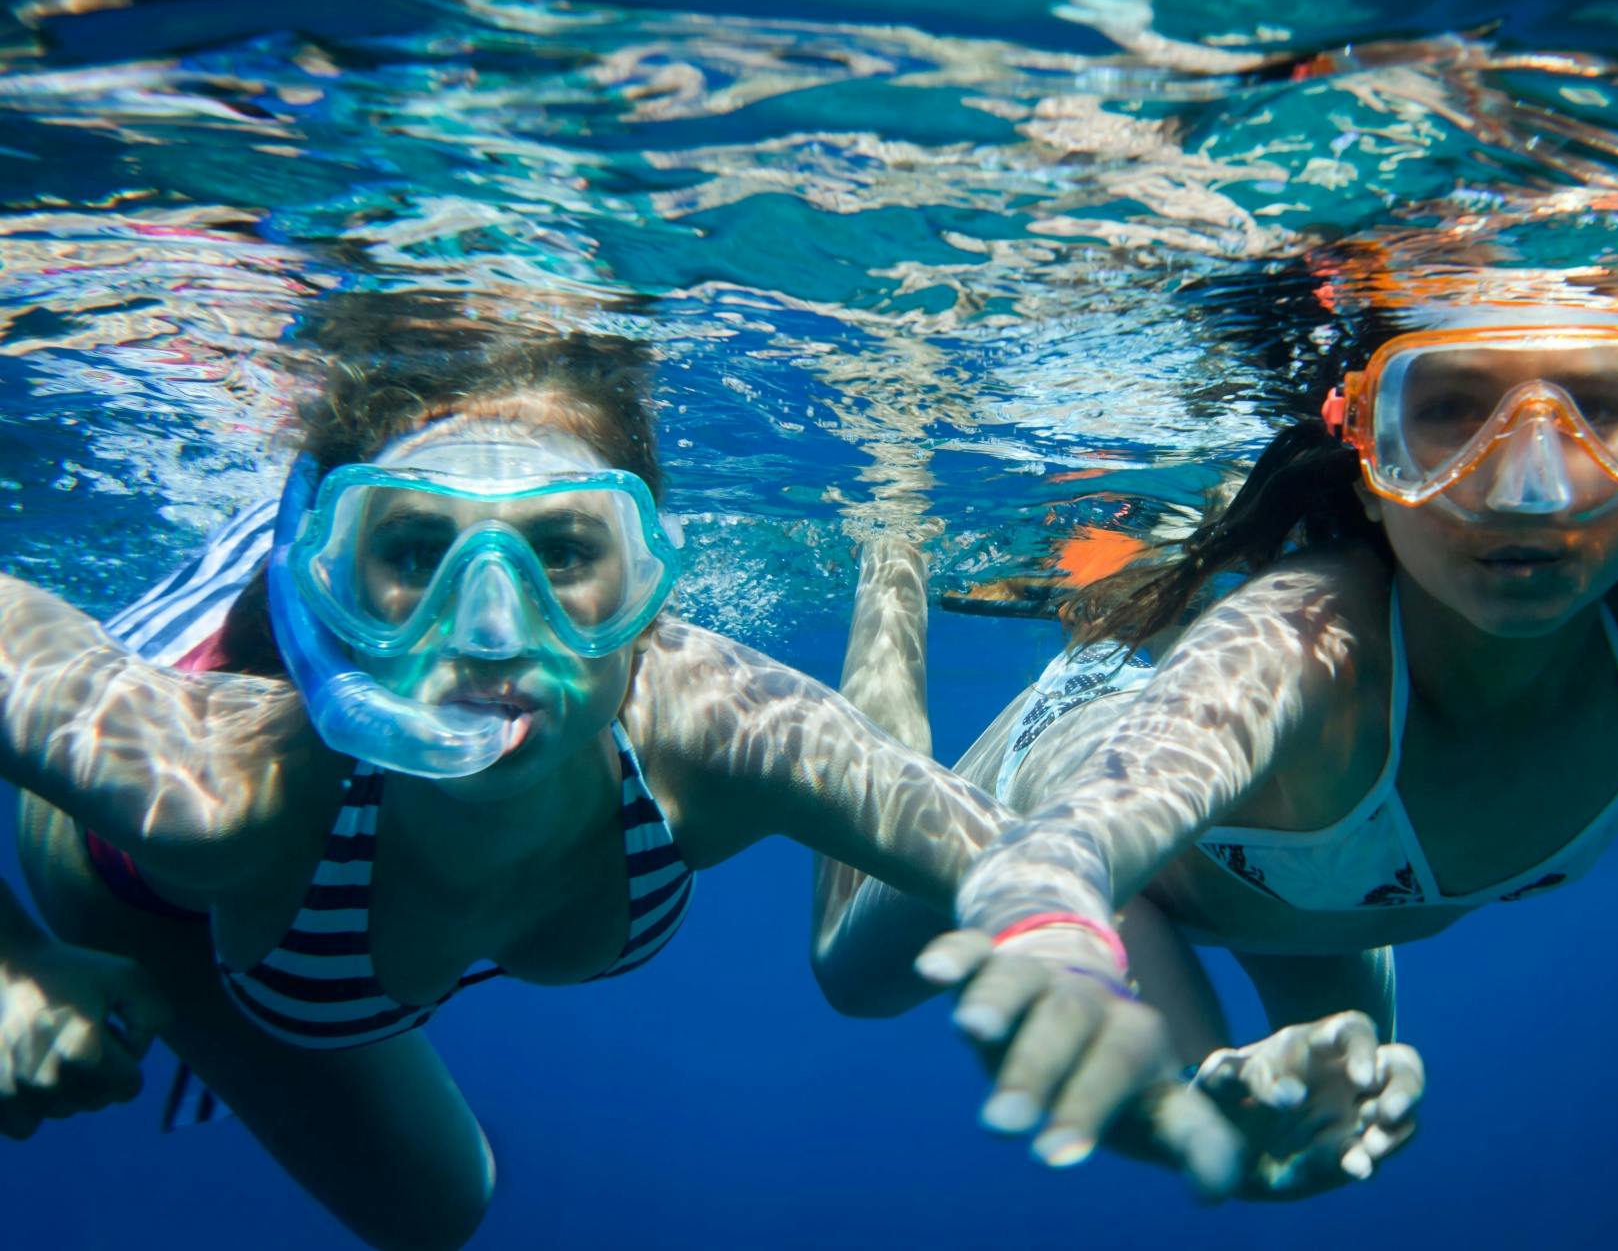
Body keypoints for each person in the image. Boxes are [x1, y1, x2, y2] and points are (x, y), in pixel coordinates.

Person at [0, 296, 1247, 1250]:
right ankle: (200, 977)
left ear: (651, 592)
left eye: (563, 551)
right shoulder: (217, 785)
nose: (491, 630)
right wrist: (17, 959)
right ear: (332, 589)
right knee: (431, 1199)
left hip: (316, 919)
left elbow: (1002, 851)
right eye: (414, 549)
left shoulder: (712, 727)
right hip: (134, 892)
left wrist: (1082, 968)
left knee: (433, 1212)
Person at [812, 261, 1618, 1196]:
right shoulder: (1294, 645)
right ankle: (893, 546)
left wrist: (1242, 1114)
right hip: (1085, 782)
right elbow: (1073, 843)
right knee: (850, 977)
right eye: (1446, 416)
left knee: (1310, 1133)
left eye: (1597, 413)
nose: (1528, 488)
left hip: (1315, 878)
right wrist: (1061, 954)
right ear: (1366, 454)